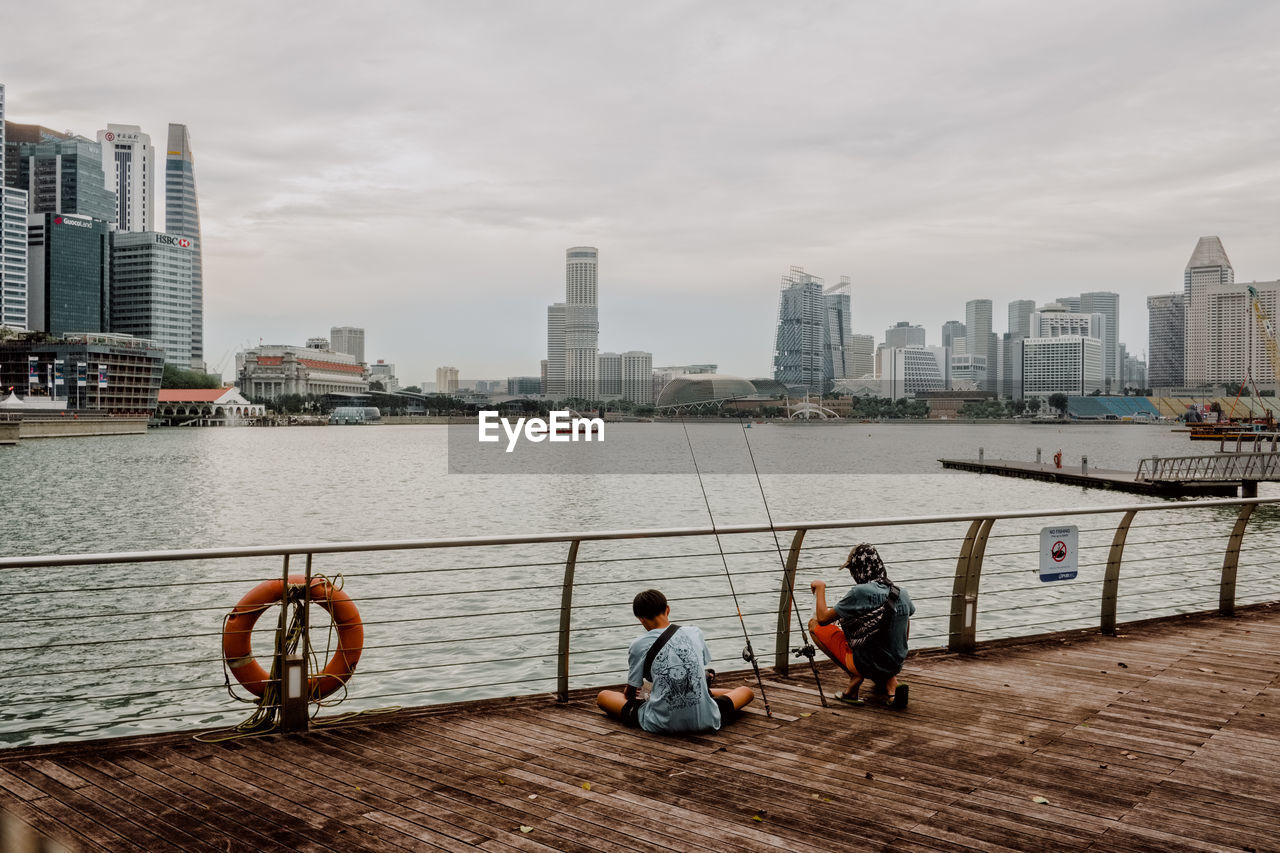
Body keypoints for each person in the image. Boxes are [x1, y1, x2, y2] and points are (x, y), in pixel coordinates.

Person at [597, 589, 754, 733]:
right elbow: (703, 663)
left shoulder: (639, 644)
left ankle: (701, 693)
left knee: (603, 696)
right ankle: (705, 693)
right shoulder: (694, 632)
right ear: (668, 609)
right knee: (746, 691)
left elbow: (631, 694)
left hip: (660, 723)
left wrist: (645, 695)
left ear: (641, 619)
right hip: (707, 719)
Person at [808, 543, 914, 709]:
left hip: (865, 663)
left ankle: (854, 677)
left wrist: (820, 587)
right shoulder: (901, 592)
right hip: (895, 662)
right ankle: (892, 686)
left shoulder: (860, 592)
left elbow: (822, 618)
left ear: (859, 568)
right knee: (897, 624)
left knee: (814, 626)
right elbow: (906, 623)